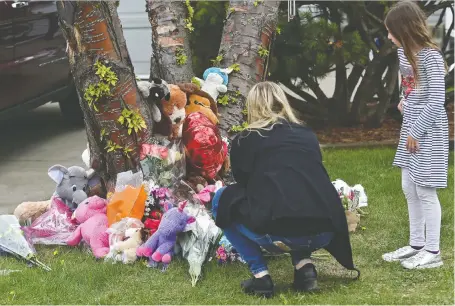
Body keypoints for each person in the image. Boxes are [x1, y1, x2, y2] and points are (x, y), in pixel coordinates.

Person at [209, 81, 359, 298]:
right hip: (323, 230)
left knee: (222, 198)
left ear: (252, 107)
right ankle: (305, 268)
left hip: (276, 230)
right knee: (298, 192)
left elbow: (242, 182)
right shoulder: (306, 134)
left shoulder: (246, 140)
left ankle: (261, 277)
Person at [382, 1, 449, 269]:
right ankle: (416, 244)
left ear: (405, 29)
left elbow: (436, 101)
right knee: (408, 187)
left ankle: (433, 252)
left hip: (428, 129)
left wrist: (416, 131)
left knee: (425, 189)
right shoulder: (404, 55)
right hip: (410, 123)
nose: (388, 36)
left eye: (391, 31)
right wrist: (402, 99)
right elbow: (408, 85)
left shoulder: (431, 57)